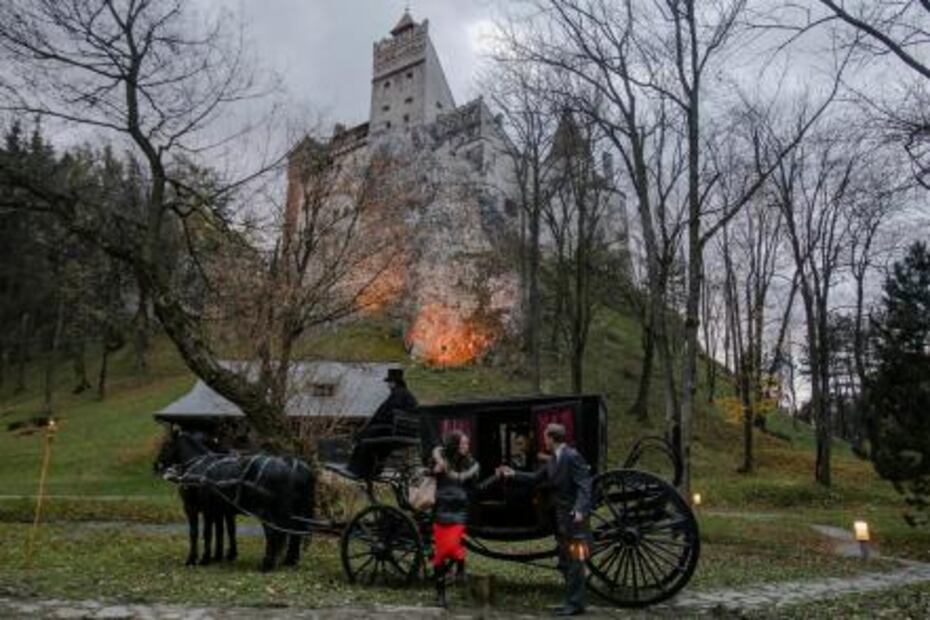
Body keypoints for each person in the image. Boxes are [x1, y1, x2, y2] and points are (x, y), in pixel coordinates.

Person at [499, 423, 592, 616]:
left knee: (576, 561)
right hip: (561, 520)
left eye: (545, 437)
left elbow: (585, 485)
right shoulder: (554, 460)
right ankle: (573, 601)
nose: (544, 441)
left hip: (575, 521)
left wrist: (580, 509)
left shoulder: (571, 456)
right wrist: (513, 473)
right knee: (566, 560)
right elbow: (534, 478)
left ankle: (575, 604)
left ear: (550, 438)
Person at [430, 430, 497, 608]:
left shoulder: (471, 464)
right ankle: (440, 595)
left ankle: (460, 566)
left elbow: (478, 489)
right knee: (439, 556)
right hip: (441, 510)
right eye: (463, 444)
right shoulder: (441, 459)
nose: (467, 447)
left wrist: (496, 477)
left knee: (450, 547)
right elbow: (426, 473)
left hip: (459, 512)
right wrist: (434, 471)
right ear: (455, 445)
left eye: (467, 443)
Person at [343, 367, 418, 478]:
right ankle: (371, 470)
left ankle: (357, 470)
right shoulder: (405, 394)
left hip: (394, 429)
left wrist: (370, 427)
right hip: (401, 429)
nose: (388, 385)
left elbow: (388, 414)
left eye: (389, 382)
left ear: (394, 383)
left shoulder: (398, 394)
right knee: (370, 438)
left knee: (366, 438)